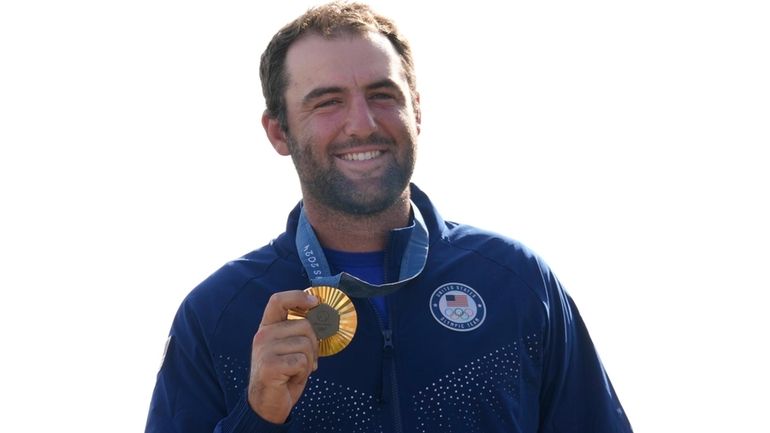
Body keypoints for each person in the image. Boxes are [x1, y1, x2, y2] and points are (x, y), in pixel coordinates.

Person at [145, 2, 633, 432]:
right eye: (327, 102)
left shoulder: (518, 282)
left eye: (383, 95)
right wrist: (258, 418)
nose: (363, 123)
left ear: (416, 110)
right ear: (278, 132)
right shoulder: (216, 316)